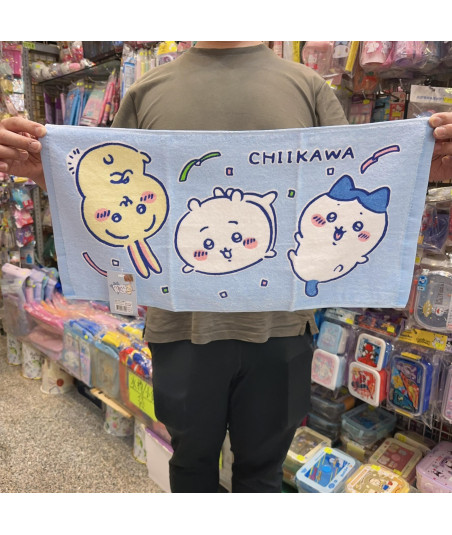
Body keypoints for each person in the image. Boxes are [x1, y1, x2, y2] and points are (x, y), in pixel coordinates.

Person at [0, 41, 451, 493]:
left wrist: (421, 168)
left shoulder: (307, 86)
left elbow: (352, 184)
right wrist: (45, 172)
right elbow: (111, 193)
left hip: (278, 330)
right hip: (183, 330)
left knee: (258, 474)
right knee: (195, 468)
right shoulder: (147, 90)